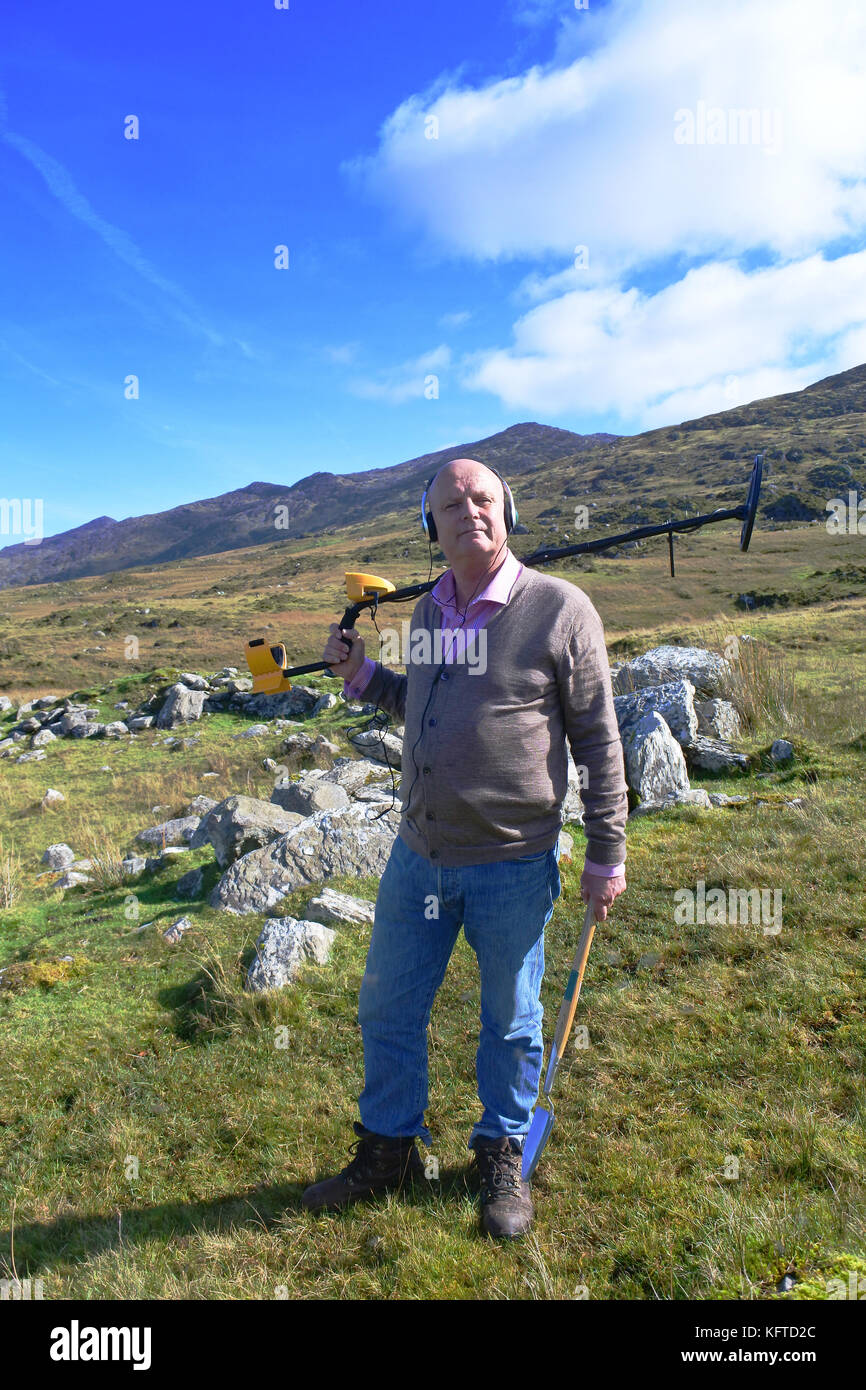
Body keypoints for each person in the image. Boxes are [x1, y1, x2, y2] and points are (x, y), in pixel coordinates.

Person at [300, 458, 628, 1239]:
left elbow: (598, 737)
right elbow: (426, 704)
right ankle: (389, 1149)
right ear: (431, 525)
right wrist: (367, 677)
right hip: (419, 853)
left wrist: (606, 852)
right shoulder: (427, 613)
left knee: (511, 1019)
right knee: (387, 1005)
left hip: (512, 862)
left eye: (483, 499)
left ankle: (500, 1152)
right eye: (451, 504)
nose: (469, 512)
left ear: (506, 510)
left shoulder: (559, 610)